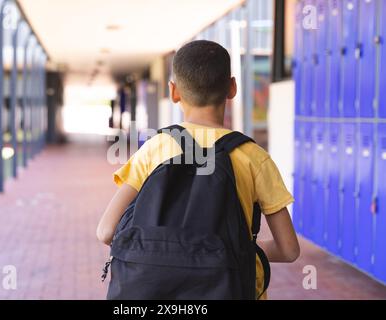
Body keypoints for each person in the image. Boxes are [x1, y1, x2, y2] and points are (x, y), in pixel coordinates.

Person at [97, 40, 300, 299]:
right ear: (232, 87)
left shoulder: (155, 149)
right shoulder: (254, 158)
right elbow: (289, 250)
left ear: (174, 92)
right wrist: (233, 249)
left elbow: (106, 232)